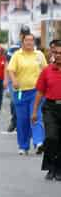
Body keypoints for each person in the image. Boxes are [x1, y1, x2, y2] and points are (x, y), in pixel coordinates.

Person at [8, 33, 46, 155]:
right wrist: (13, 81)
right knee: (22, 119)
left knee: (36, 116)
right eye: (27, 40)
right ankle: (23, 146)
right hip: (20, 92)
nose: (29, 42)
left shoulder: (39, 55)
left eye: (31, 40)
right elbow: (11, 70)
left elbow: (45, 70)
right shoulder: (17, 55)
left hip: (36, 91)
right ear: (22, 42)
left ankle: (39, 142)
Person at [33, 40, 61, 181]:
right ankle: (50, 167)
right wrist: (34, 112)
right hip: (50, 107)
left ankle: (58, 169)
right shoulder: (47, 71)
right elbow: (39, 92)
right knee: (51, 137)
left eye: (60, 53)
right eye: (56, 53)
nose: (58, 55)